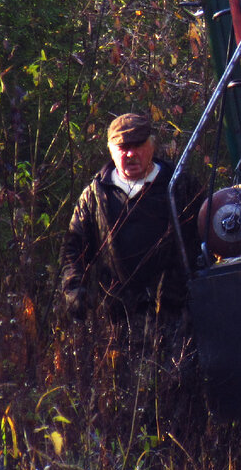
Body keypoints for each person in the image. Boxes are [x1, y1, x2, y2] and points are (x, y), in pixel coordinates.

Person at [60, 112, 202, 325]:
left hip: (177, 317)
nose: (130, 154)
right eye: (123, 148)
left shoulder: (181, 186)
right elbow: (73, 250)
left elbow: (206, 240)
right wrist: (75, 294)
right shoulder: (95, 196)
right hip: (118, 322)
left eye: (137, 146)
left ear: (151, 146)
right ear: (111, 150)